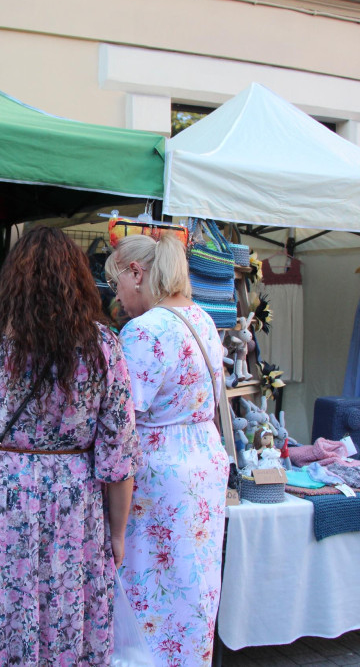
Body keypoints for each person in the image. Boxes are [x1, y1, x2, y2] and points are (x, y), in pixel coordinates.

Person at [0, 226, 139, 666]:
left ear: (15, 278)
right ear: (80, 279)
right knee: (64, 613)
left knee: (0, 612)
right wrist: (117, 535)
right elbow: (118, 456)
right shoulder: (103, 347)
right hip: (72, 509)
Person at [105, 233, 228, 667]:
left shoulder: (144, 330)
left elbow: (119, 421)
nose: (115, 294)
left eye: (115, 280)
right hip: (204, 466)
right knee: (190, 594)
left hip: (160, 477)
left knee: (148, 594)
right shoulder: (201, 318)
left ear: (136, 274)